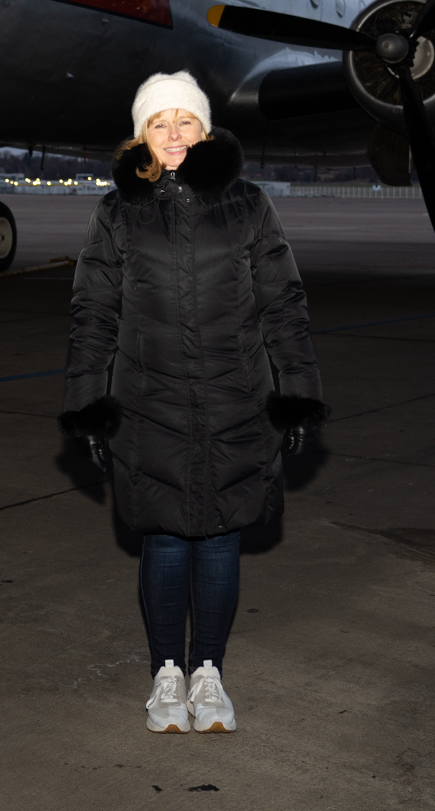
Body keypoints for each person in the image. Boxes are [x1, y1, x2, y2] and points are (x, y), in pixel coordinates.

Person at [60, 70, 326, 734]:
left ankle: (208, 672)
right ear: (142, 135)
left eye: (185, 121)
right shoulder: (117, 212)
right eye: (159, 122)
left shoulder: (249, 206)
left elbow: (283, 304)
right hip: (151, 404)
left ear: (205, 129)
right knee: (168, 545)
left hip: (237, 403)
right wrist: (89, 402)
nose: (173, 133)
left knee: (219, 547)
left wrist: (297, 392)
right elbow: (93, 309)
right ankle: (165, 676)